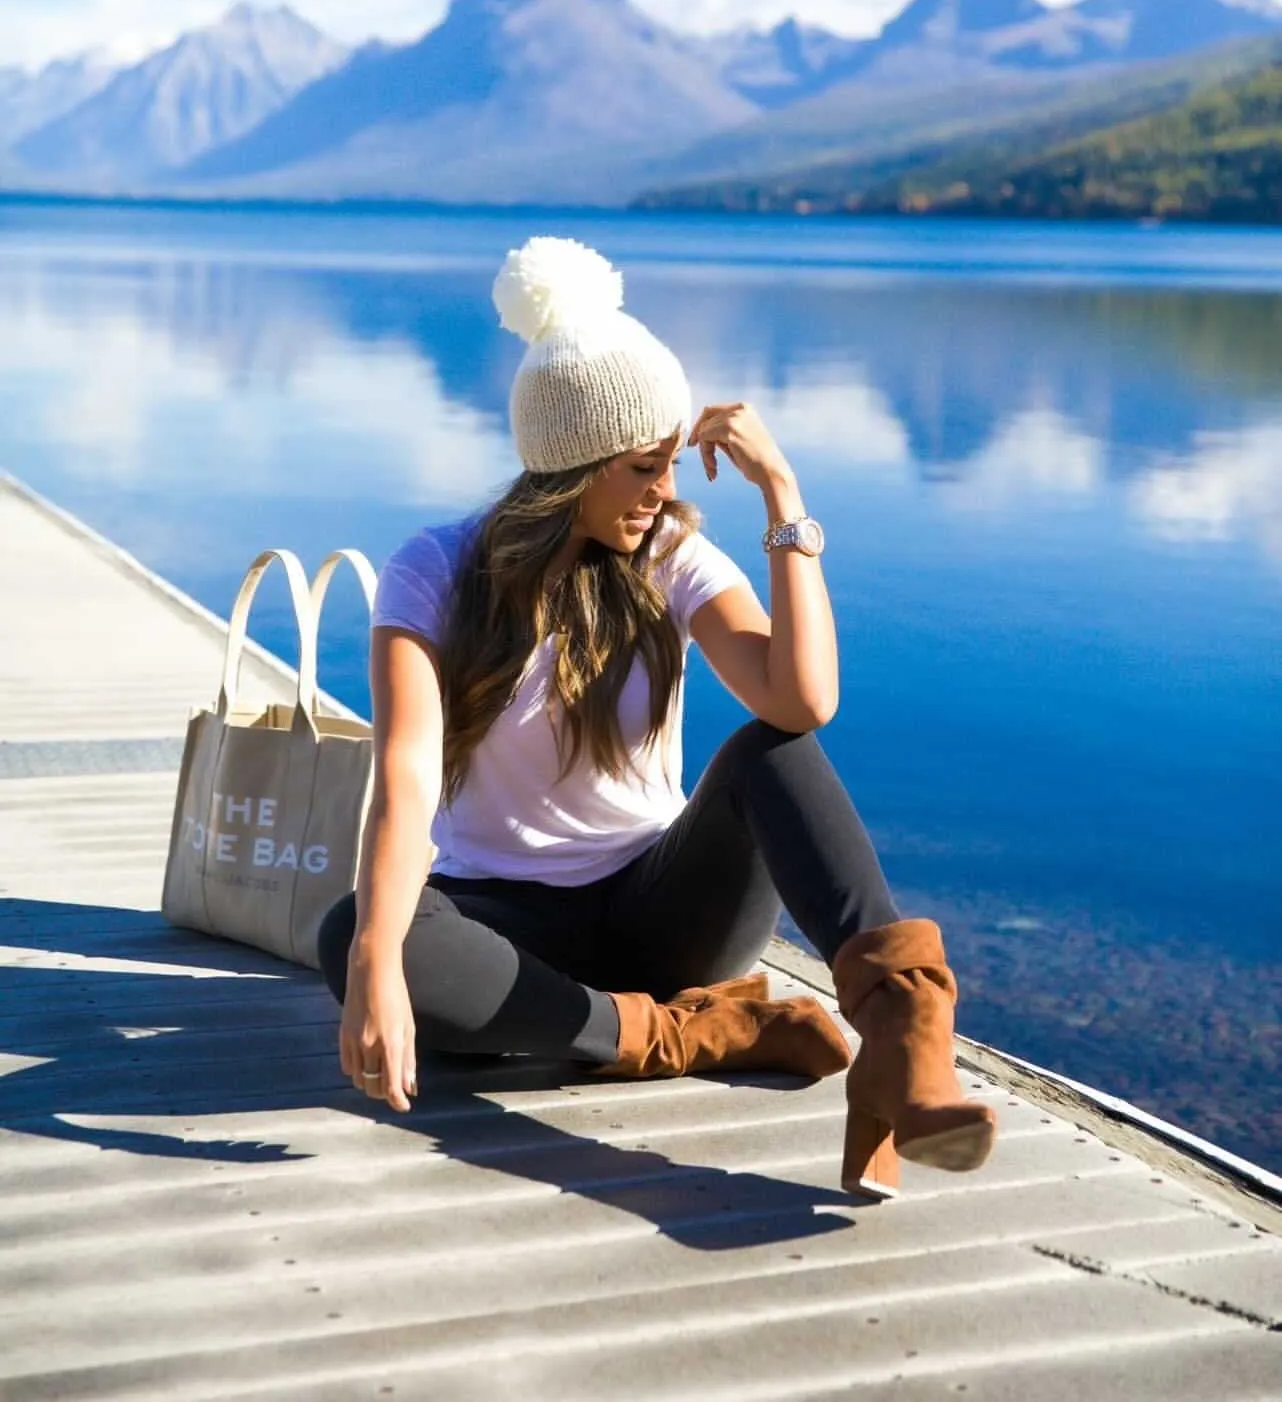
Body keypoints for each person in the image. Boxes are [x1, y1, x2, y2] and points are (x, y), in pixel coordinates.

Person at [318, 235, 996, 1201]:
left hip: (664, 910)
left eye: (672, 461)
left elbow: (801, 700)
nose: (666, 489)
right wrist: (378, 960)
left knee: (775, 753)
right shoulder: (433, 571)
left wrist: (784, 498)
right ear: (573, 467)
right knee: (356, 930)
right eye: (644, 467)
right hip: (509, 925)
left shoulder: (666, 554)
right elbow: (407, 779)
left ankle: (904, 1038)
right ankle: (691, 1031)